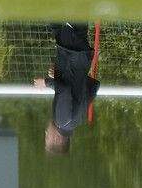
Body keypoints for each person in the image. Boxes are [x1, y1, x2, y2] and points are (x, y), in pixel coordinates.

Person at [34, 23, 98, 153]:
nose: (46, 132)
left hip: (80, 55)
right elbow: (64, 90)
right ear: (57, 139)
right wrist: (46, 83)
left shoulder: (77, 120)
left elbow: (94, 86)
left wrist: (58, 74)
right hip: (71, 51)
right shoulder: (62, 121)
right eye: (47, 137)